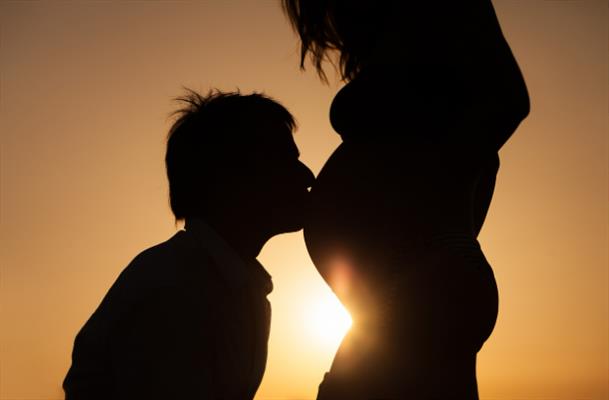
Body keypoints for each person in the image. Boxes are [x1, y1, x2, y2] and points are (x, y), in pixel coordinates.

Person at [282, 1, 530, 398]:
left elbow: (508, 102)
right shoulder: (401, 43)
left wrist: (438, 226)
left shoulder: (443, 22)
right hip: (404, 290)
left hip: (421, 284)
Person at [63, 90, 315, 399]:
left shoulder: (231, 284)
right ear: (234, 177)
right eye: (285, 161)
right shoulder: (175, 289)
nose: (308, 176)